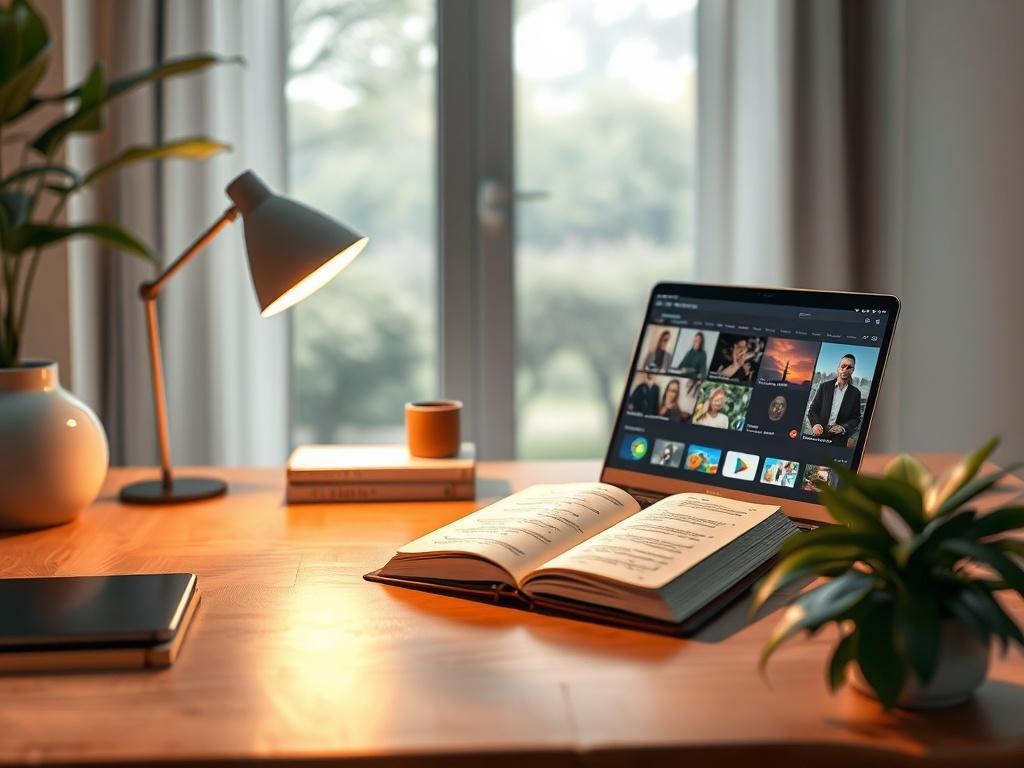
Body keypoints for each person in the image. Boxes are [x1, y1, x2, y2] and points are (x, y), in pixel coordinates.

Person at [805, 354, 862, 444]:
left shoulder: (856, 393)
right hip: (819, 435)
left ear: (852, 370)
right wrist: (815, 424)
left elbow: (856, 418)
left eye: (849, 367)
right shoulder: (824, 386)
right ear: (838, 367)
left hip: (839, 439)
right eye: (843, 366)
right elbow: (812, 410)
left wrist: (843, 428)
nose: (845, 369)